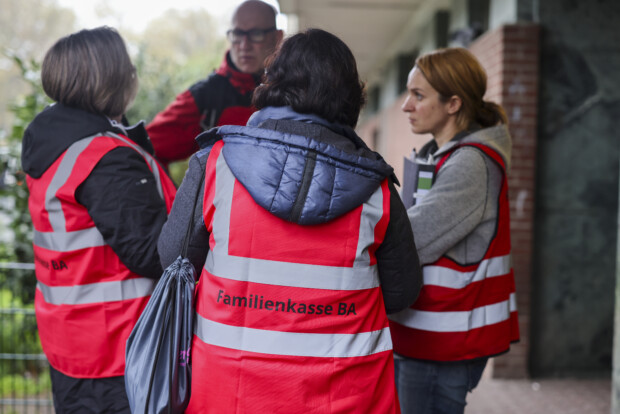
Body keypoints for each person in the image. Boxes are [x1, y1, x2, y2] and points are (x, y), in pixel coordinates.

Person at [158, 28, 423, 413]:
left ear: (272, 82)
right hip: (347, 392)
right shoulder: (376, 187)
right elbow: (401, 293)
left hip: (227, 389)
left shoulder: (215, 164)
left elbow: (174, 260)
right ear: (351, 96)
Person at [21, 27, 176, 413]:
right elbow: (152, 252)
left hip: (74, 343)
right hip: (118, 352)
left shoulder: (54, 141)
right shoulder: (102, 155)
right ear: (112, 77)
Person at [388, 47, 520, 414]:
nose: (406, 106)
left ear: (453, 104)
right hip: (432, 336)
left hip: (442, 342)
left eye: (418, 95)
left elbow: (409, 239)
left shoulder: (469, 164)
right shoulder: (445, 154)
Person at [146, 0, 284, 166]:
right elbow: (146, 147)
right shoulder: (205, 97)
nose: (244, 45)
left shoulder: (294, 91)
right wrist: (170, 192)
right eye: (238, 34)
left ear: (278, 37)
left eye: (256, 34)